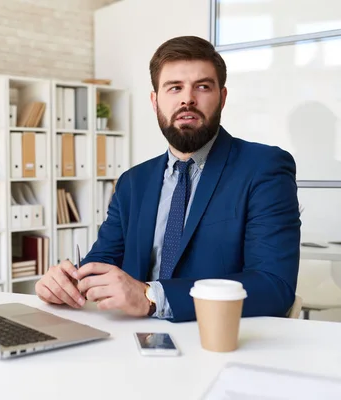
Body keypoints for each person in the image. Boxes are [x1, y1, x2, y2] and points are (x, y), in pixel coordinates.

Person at [35, 35, 301, 322]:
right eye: (174, 88)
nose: (188, 98)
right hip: (131, 342)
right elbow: (102, 262)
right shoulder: (132, 182)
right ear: (155, 101)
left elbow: (274, 286)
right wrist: (68, 283)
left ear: (222, 98)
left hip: (215, 343)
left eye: (202, 86)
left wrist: (152, 296)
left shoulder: (263, 168)